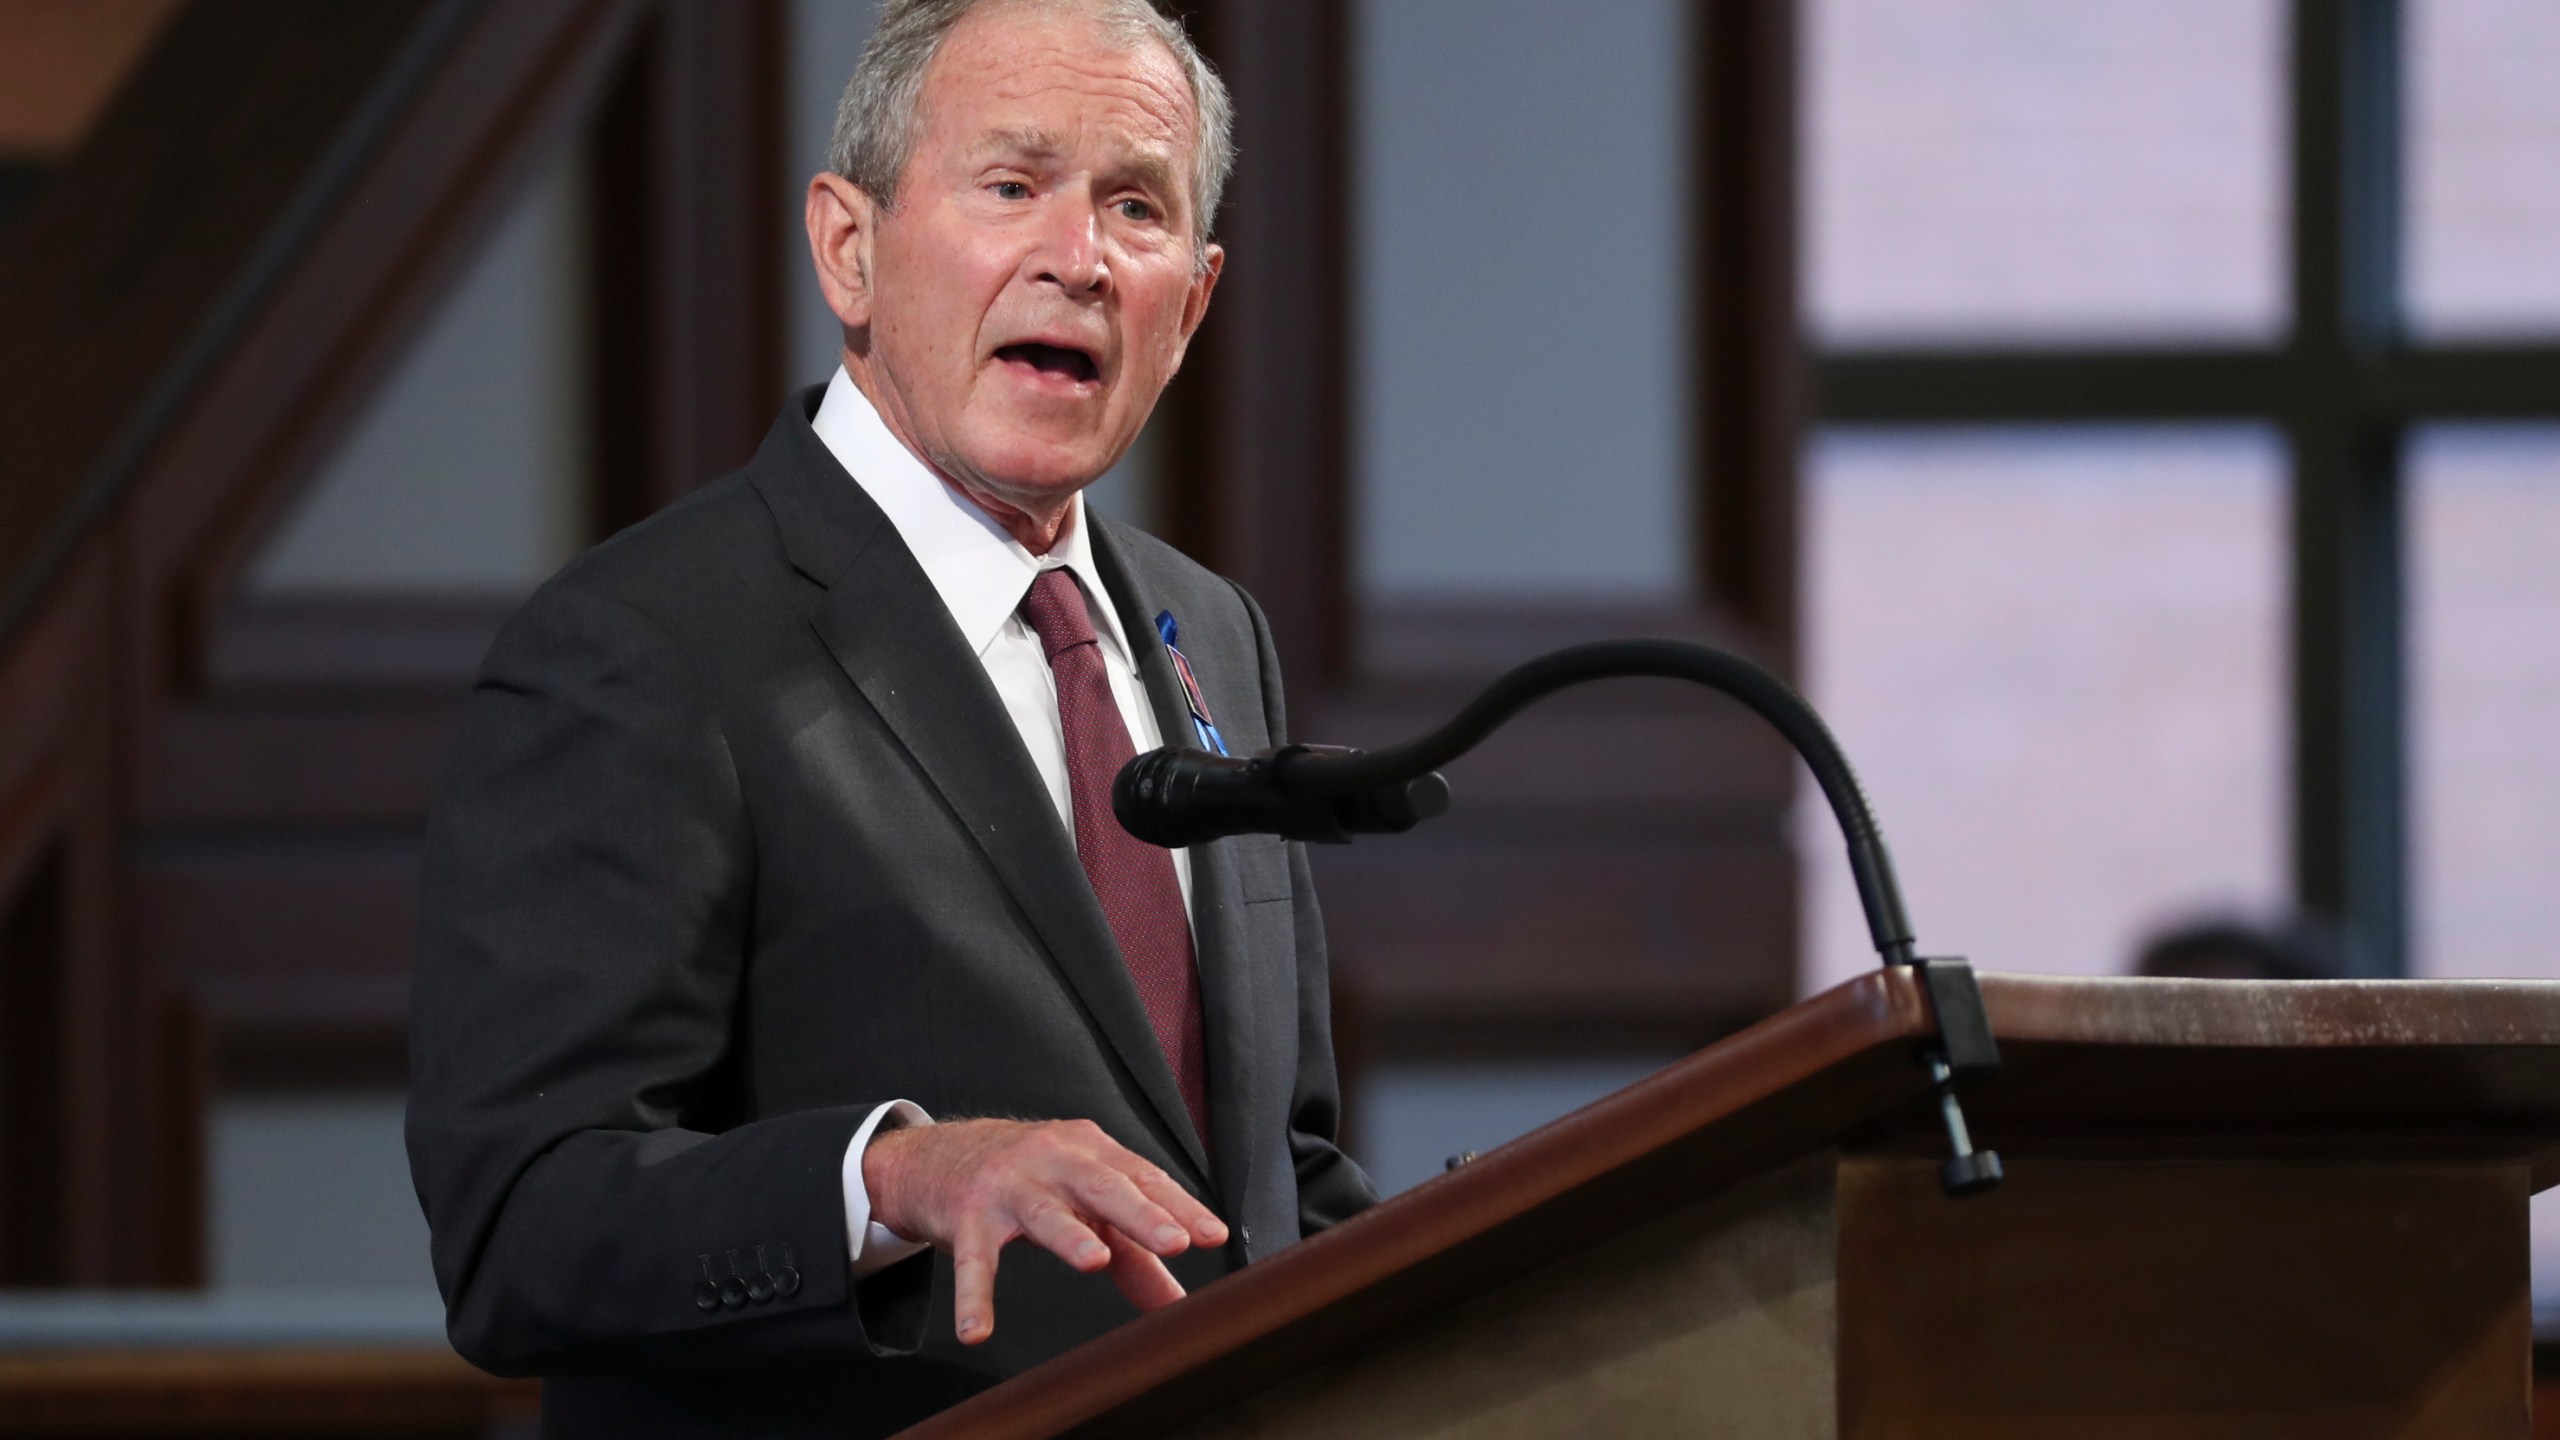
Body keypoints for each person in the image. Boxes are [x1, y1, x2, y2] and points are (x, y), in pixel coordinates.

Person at [404, 1, 1376, 1434]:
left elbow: (1276, 1172)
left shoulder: (1209, 635)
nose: (1082, 259)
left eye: (1135, 207)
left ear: (1198, 297)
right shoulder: (643, 643)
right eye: (1011, 186)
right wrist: (893, 1180)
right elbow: (523, 1223)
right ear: (849, 248)